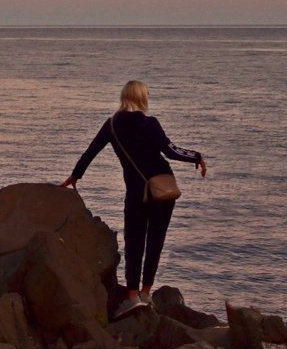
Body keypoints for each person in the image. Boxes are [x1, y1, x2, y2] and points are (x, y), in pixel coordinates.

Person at [60, 80, 207, 319]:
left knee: (134, 240)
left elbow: (91, 151)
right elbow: (171, 151)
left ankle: (131, 296)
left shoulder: (111, 125)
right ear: (142, 98)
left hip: (136, 192)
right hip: (162, 190)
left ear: (123, 97)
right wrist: (197, 157)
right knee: (155, 240)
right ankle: (146, 293)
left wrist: (75, 176)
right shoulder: (150, 123)